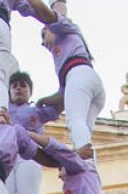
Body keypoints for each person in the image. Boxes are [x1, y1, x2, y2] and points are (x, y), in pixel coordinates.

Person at [36, 16, 104, 152]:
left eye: (44, 35)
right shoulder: (63, 57)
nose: (42, 43)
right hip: (90, 82)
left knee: (75, 121)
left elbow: (52, 16)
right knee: (82, 132)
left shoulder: (64, 29)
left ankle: (86, 161)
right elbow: (64, 94)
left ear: (52, 29)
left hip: (79, 75)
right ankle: (88, 167)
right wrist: (45, 100)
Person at [4, 72, 59, 194]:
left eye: (23, 86)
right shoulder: (1, 108)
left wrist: (45, 101)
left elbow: (61, 103)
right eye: (14, 86)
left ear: (30, 91)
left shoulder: (37, 111)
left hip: (29, 158)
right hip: (6, 158)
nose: (19, 89)